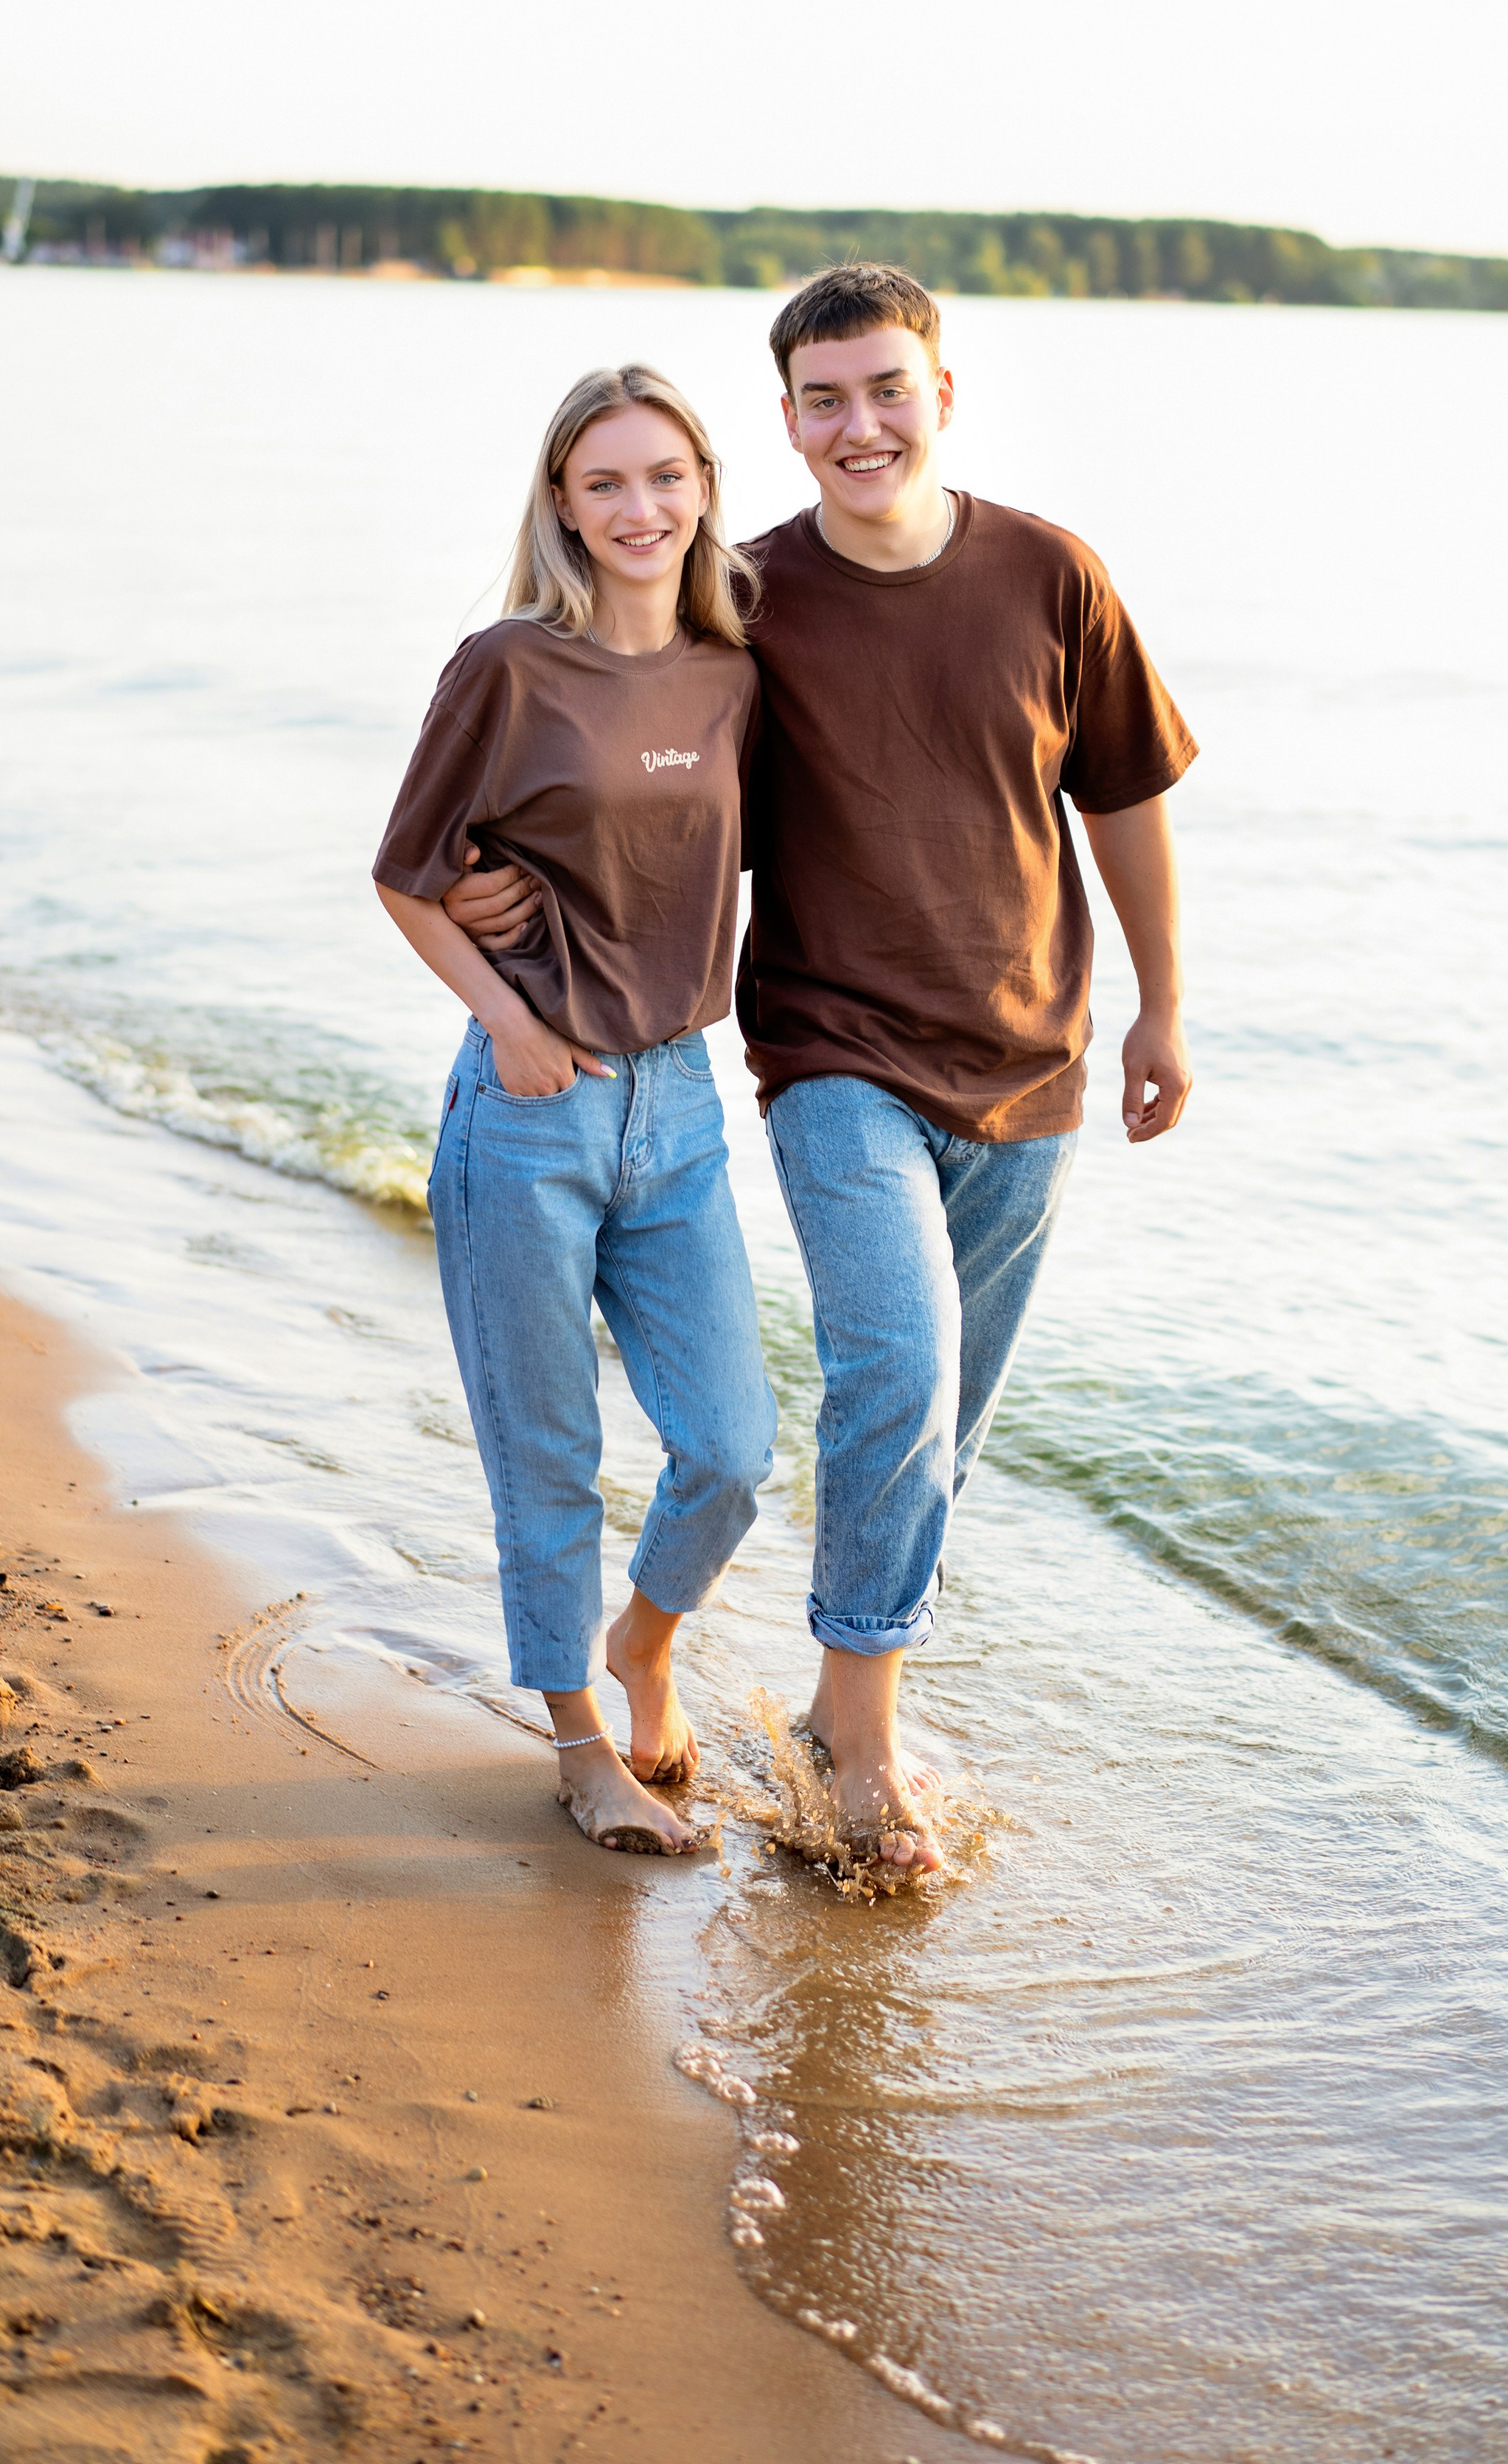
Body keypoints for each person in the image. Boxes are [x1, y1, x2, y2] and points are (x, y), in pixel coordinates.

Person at [449, 267, 1195, 1877]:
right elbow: (626, 763)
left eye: (887, 389)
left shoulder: (1053, 575)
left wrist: (1163, 1008)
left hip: (1034, 1066)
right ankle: (862, 1750)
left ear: (942, 394)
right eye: (824, 399)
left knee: (942, 1423)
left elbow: (1125, 798)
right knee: (897, 1373)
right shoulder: (746, 600)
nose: (860, 425)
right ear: (784, 421)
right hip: (831, 1055)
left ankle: (806, 1696)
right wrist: (503, 890)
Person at [374, 364, 775, 1855]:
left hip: (681, 1107)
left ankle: (642, 1640)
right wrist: (509, 1017)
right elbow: (407, 876)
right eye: (605, 481)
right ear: (562, 500)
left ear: (704, 488)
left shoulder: (735, 674)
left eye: (665, 476)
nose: (638, 507)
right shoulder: (507, 667)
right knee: (545, 1455)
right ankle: (580, 1748)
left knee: (731, 1449)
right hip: (529, 1111)